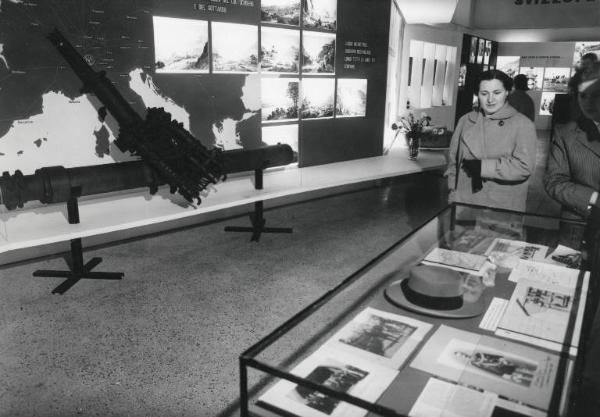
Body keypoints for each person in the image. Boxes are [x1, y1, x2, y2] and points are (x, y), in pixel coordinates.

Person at [446, 70, 537, 212]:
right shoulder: (466, 120)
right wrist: (452, 190)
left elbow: (524, 166)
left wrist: (483, 167)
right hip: (465, 201)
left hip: (501, 204)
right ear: (477, 94)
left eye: (497, 93)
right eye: (484, 94)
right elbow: (453, 161)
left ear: (507, 92)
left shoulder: (523, 124)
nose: (490, 99)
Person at [544, 62, 600, 219]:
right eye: (583, 95)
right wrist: (593, 198)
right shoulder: (566, 133)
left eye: (595, 94)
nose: (587, 102)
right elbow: (554, 181)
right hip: (580, 223)